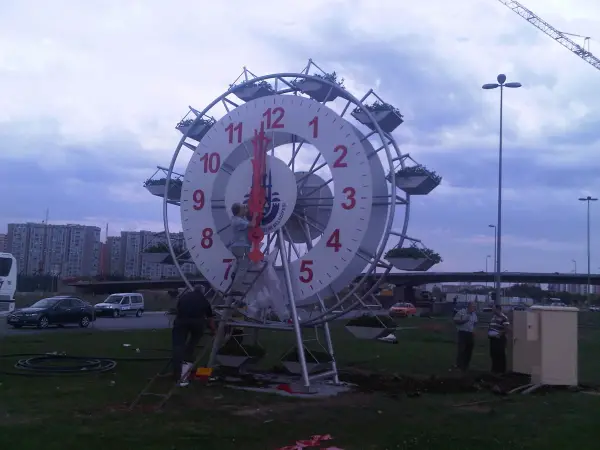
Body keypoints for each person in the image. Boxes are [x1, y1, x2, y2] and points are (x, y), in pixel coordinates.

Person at [171, 284, 216, 387]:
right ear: (202, 291)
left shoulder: (184, 297)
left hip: (181, 322)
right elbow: (210, 317)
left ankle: (177, 373)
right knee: (192, 344)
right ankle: (187, 362)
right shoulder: (204, 300)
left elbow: (178, 309)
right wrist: (214, 330)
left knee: (178, 347)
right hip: (197, 323)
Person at [228, 202, 255, 297]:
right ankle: (235, 289)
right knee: (243, 266)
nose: (245, 209)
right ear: (239, 211)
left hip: (237, 247)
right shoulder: (238, 221)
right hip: (242, 247)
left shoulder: (236, 219)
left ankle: (234, 273)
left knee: (240, 263)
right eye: (243, 208)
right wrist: (255, 214)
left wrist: (246, 210)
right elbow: (252, 225)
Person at [453, 301, 477, 372]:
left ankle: (466, 365)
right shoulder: (461, 312)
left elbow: (475, 323)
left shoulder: (474, 314)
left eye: (475, 306)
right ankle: (459, 365)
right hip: (462, 333)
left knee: (469, 350)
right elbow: (455, 320)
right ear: (469, 306)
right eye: (473, 306)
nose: (474, 308)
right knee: (461, 349)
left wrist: (474, 330)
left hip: (470, 334)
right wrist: (463, 321)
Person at [488, 304, 510, 375]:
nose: (492, 310)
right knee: (493, 353)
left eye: (493, 308)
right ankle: (494, 369)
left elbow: (506, 329)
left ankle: (501, 370)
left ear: (498, 309)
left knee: (500, 354)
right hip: (493, 338)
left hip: (500, 338)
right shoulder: (493, 317)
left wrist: (500, 333)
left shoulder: (504, 317)